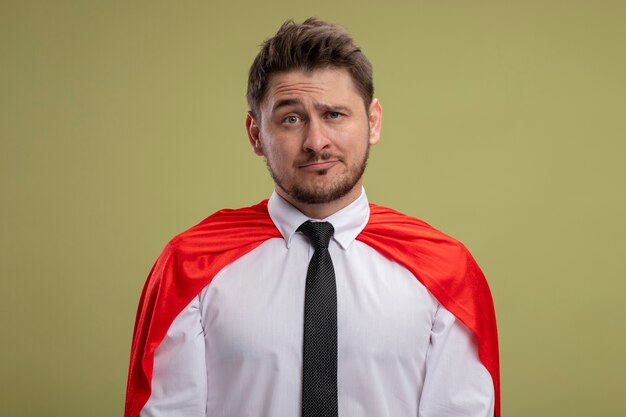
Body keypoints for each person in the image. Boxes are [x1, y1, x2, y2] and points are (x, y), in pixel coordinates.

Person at [125, 18, 500, 417]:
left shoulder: (444, 273)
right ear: (255, 134)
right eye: (291, 118)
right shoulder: (190, 267)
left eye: (335, 115)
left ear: (372, 122)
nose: (316, 141)